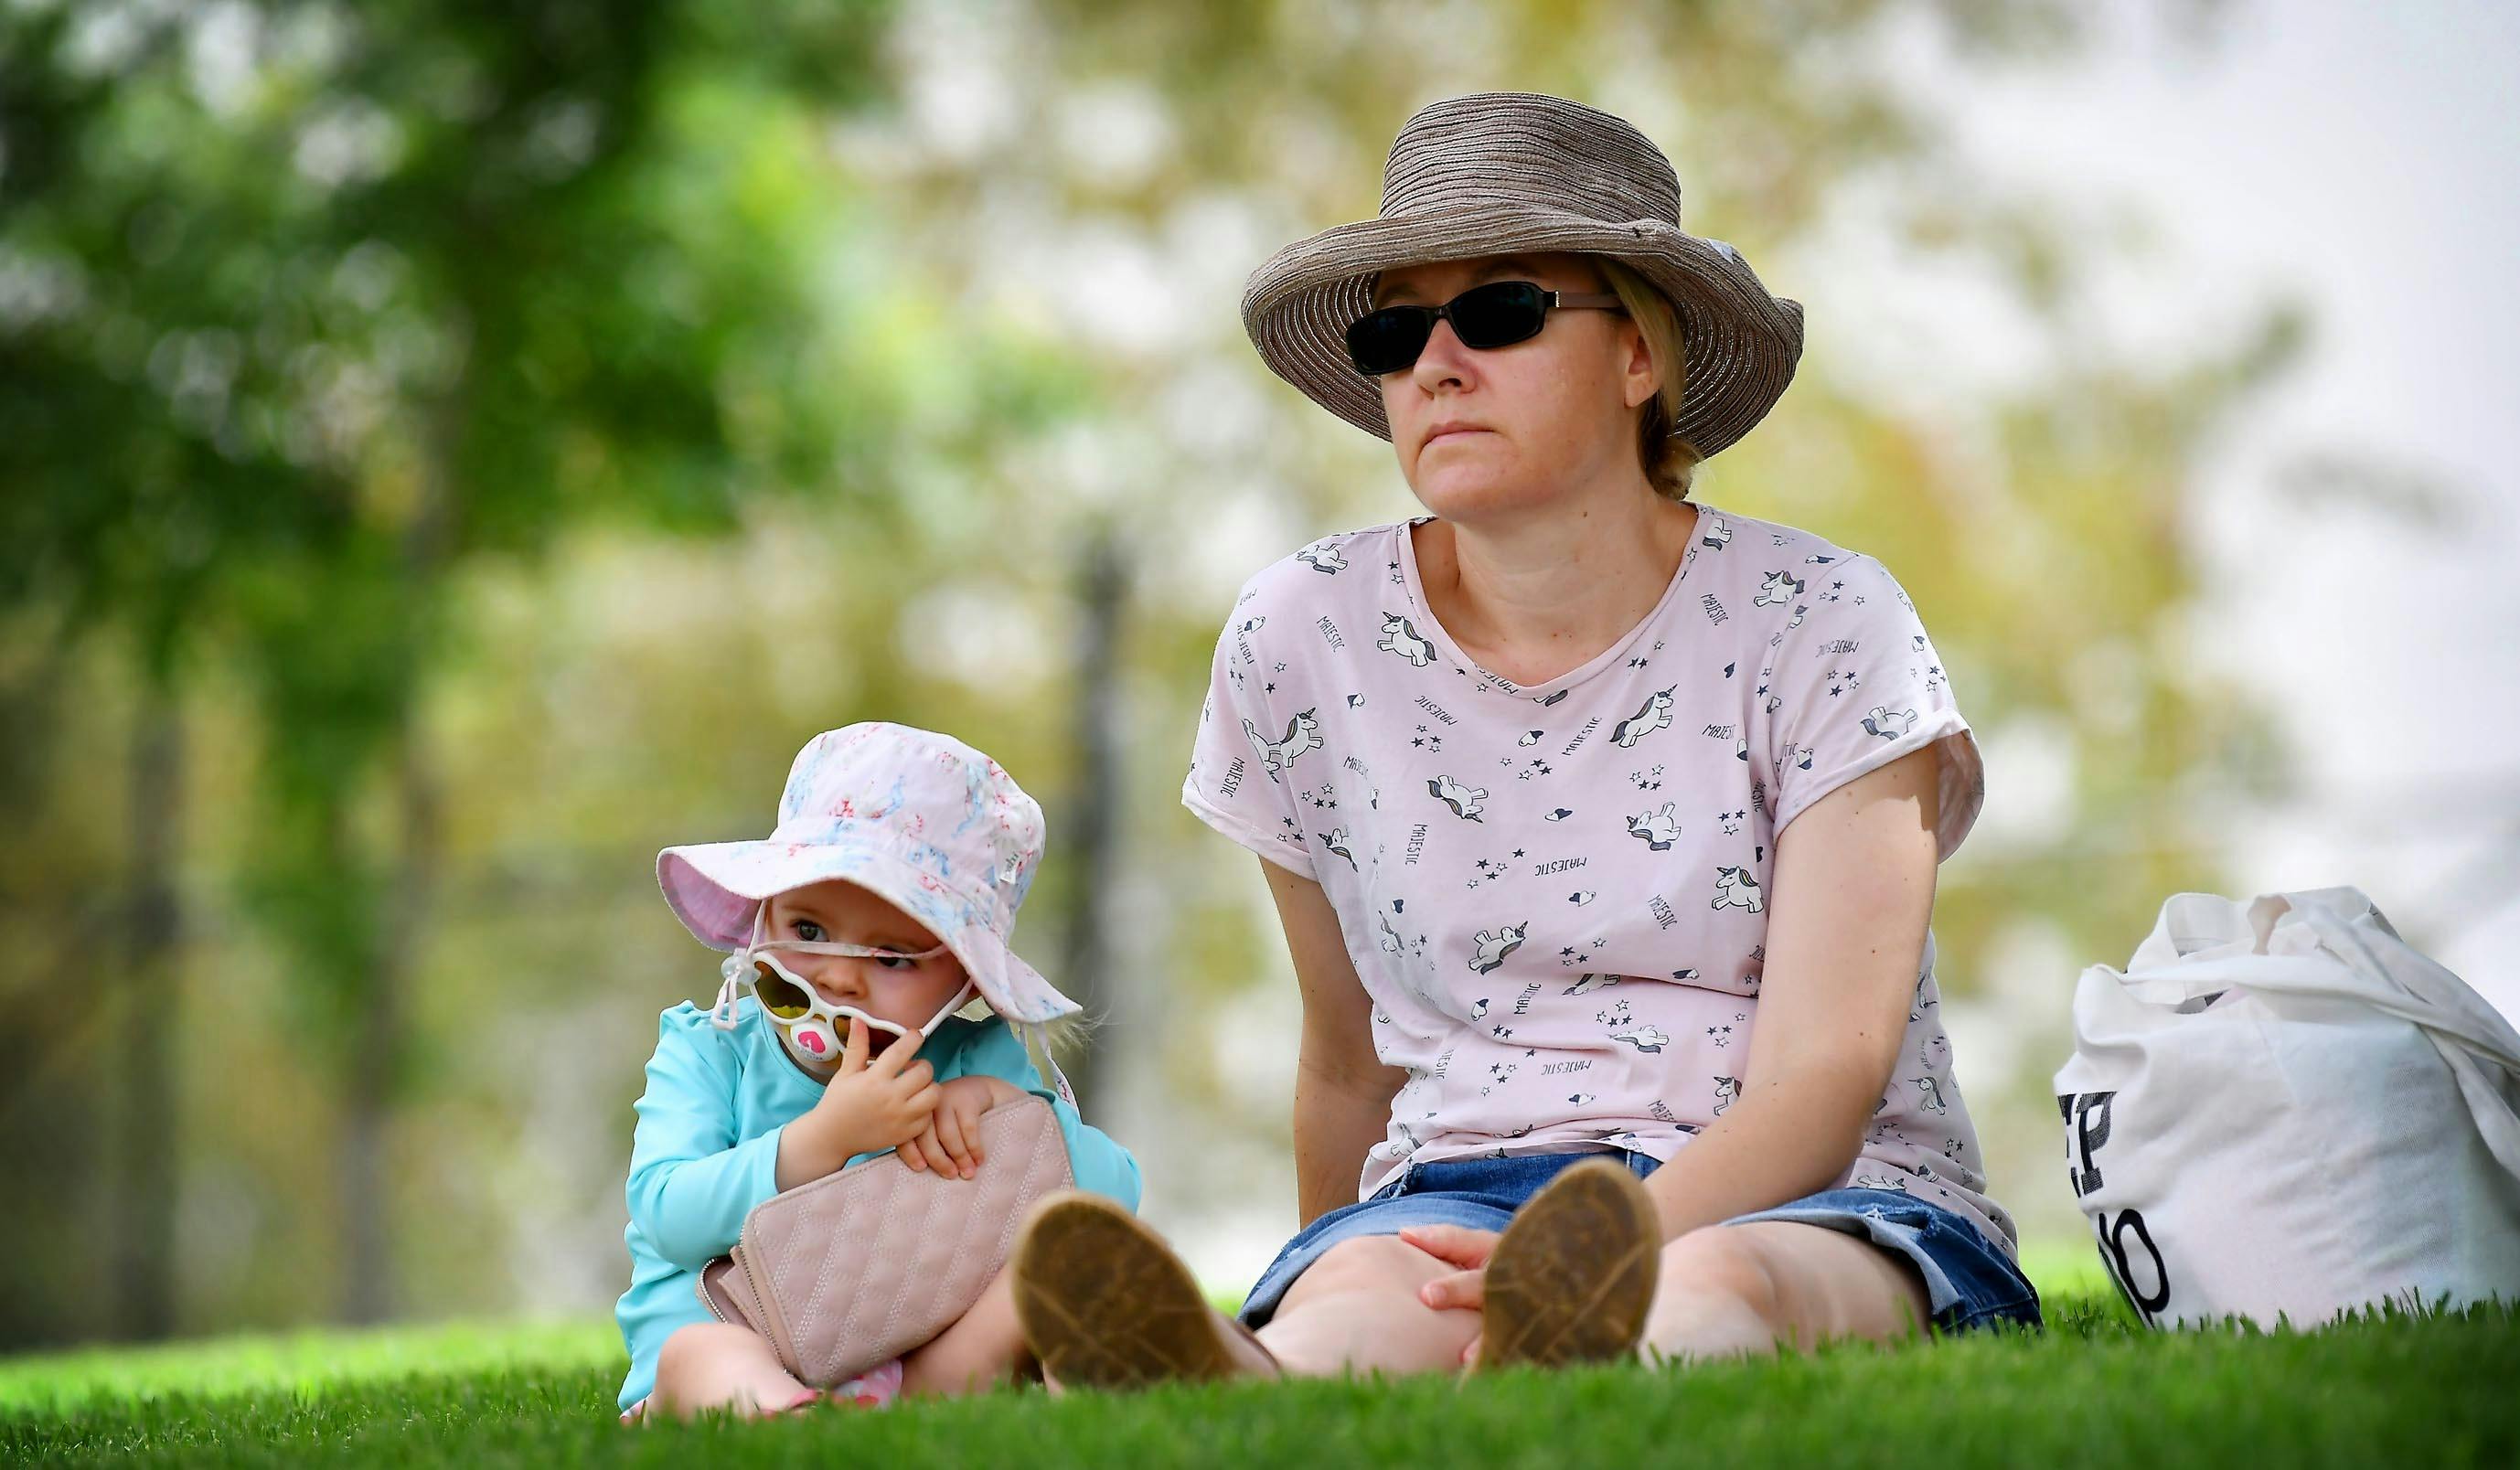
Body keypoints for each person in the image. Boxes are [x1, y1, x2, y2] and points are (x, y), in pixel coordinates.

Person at [1007, 91, 2036, 1388]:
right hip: (1460, 1186)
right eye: (1396, 331)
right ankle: (1242, 1385)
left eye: (1500, 313)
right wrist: (1344, 1247)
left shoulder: (1826, 621)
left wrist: (1610, 1252)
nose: (1437, 364)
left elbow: (1828, 1077)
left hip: (1822, 1197)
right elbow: (1345, 1060)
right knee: (1366, 1308)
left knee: (1716, 1288)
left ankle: (1588, 1341)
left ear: (1638, 359)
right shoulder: (1301, 636)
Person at [614, 722, 1141, 1418]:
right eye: (807, 930)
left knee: (1060, 1269)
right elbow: (668, 1216)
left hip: (915, 1374)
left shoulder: (971, 1058)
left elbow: (1112, 1197)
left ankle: (1099, 1388)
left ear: (966, 980)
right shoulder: (709, 1048)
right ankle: (793, 1425)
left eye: (891, 957)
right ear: (762, 912)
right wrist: (822, 1139)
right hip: (734, 1352)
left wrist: (998, 1101)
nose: (838, 976)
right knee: (698, 1356)